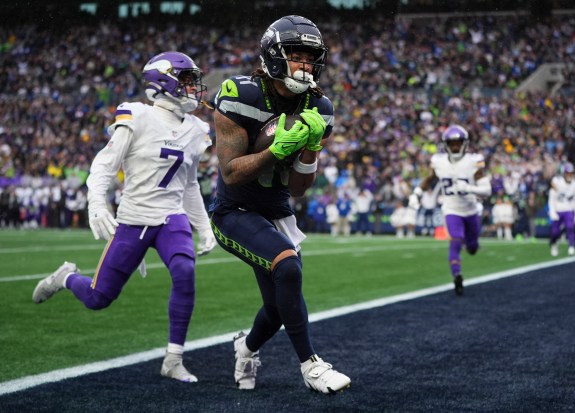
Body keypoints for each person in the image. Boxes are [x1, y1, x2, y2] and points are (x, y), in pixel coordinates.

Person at [32, 51, 216, 383]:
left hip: (171, 218)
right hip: (133, 219)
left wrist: (203, 226)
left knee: (185, 271)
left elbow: (189, 185)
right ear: (164, 82)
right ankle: (65, 277)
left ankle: (173, 359)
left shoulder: (196, 129)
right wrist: (96, 204)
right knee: (97, 298)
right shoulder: (138, 116)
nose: (193, 88)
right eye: (187, 80)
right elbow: (105, 164)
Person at [209, 15, 351, 394]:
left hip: (277, 212)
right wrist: (276, 150)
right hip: (234, 211)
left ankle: (246, 347)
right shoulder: (241, 95)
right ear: (274, 55)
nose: (305, 64)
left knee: (276, 308)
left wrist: (311, 150)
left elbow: (300, 189)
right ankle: (310, 365)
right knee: (287, 268)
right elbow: (231, 173)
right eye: (296, 55)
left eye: (310, 57)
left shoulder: (320, 106)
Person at [417, 125, 491, 295]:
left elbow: (487, 190)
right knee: (455, 240)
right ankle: (457, 276)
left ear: (465, 144)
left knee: (472, 248)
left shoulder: (473, 161)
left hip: (471, 210)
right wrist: (417, 193)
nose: (455, 147)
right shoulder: (438, 162)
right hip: (451, 209)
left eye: (458, 143)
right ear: (446, 145)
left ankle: (472, 245)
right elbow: (429, 178)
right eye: (452, 144)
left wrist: (469, 188)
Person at [548, 163, 575, 256]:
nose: (569, 175)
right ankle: (554, 244)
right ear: (564, 173)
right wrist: (552, 212)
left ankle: (571, 246)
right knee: (555, 232)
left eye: (571, 173)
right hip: (558, 209)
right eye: (568, 173)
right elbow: (552, 197)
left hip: (569, 210)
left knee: (570, 228)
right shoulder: (557, 182)